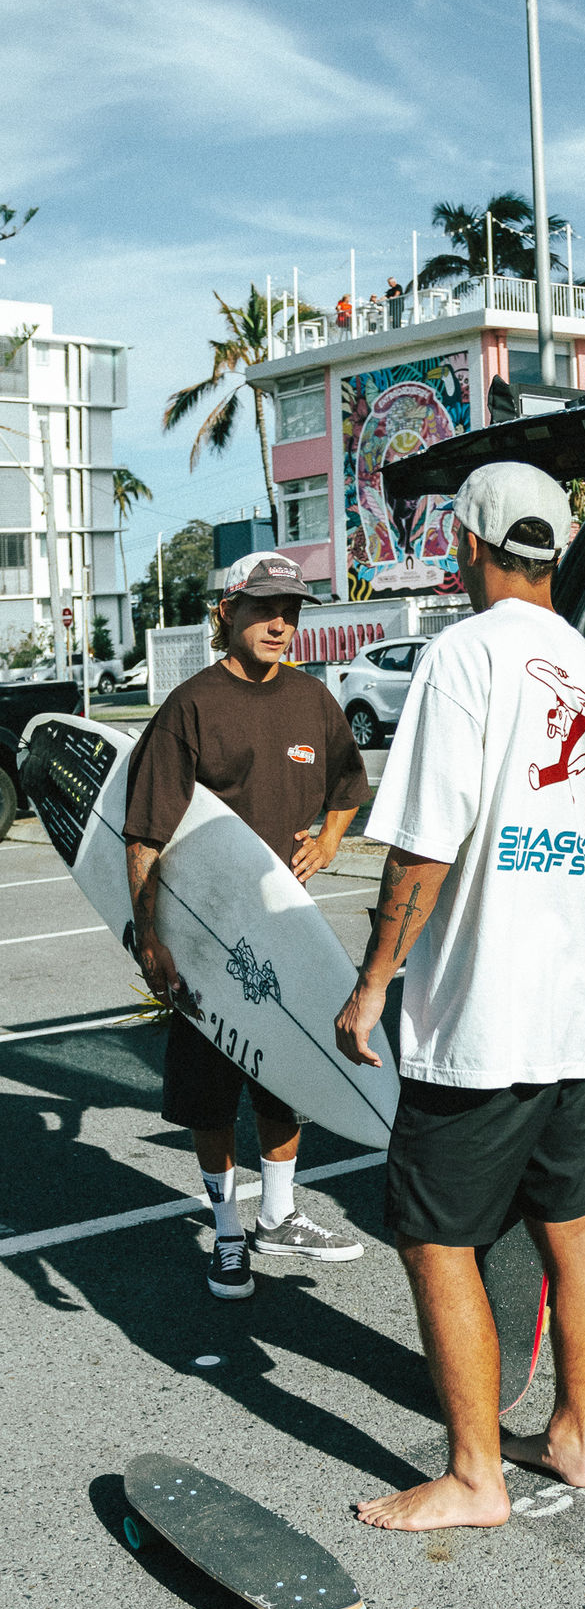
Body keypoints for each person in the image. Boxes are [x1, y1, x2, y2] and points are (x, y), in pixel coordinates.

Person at [334, 461, 585, 1533]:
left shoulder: (463, 655)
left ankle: (476, 1476)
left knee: (433, 1232)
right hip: (575, 1011)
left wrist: (375, 982)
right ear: (552, 550)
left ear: (467, 544)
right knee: (569, 1216)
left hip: (482, 1016)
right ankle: (575, 1436)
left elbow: (422, 849)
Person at [124, 551, 371, 1299]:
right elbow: (144, 836)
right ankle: (228, 1235)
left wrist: (330, 838)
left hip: (281, 929)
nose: (280, 623)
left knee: (285, 1077)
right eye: (264, 608)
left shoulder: (313, 700)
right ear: (226, 613)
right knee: (210, 1095)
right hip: (205, 937)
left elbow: (348, 783)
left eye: (292, 610)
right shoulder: (191, 707)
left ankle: (281, 1215)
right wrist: (152, 939)